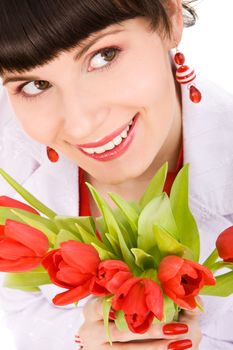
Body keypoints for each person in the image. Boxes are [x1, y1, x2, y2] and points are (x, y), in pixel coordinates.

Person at [0, 0, 233, 349]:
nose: (80, 125)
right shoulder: (12, 150)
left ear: (170, 19)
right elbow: (21, 316)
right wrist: (81, 338)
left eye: (104, 56)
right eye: (35, 85)